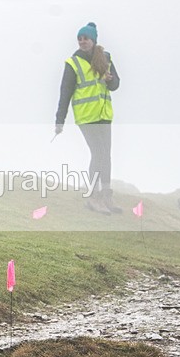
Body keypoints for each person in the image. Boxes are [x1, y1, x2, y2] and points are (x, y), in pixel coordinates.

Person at [55, 22, 121, 214]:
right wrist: (60, 120)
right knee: (98, 153)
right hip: (86, 116)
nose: (82, 41)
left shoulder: (106, 58)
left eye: (86, 38)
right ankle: (93, 197)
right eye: (80, 39)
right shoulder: (73, 63)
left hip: (104, 114)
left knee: (105, 155)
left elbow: (116, 85)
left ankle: (106, 195)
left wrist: (110, 81)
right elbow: (64, 92)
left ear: (93, 40)